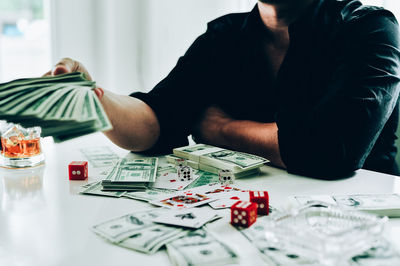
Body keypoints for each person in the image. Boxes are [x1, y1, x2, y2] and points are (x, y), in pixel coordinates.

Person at [45, 0, 400, 178]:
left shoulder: (370, 29)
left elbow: (330, 151)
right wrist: (94, 99)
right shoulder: (224, 38)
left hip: (364, 229)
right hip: (263, 226)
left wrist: (220, 130)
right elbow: (156, 119)